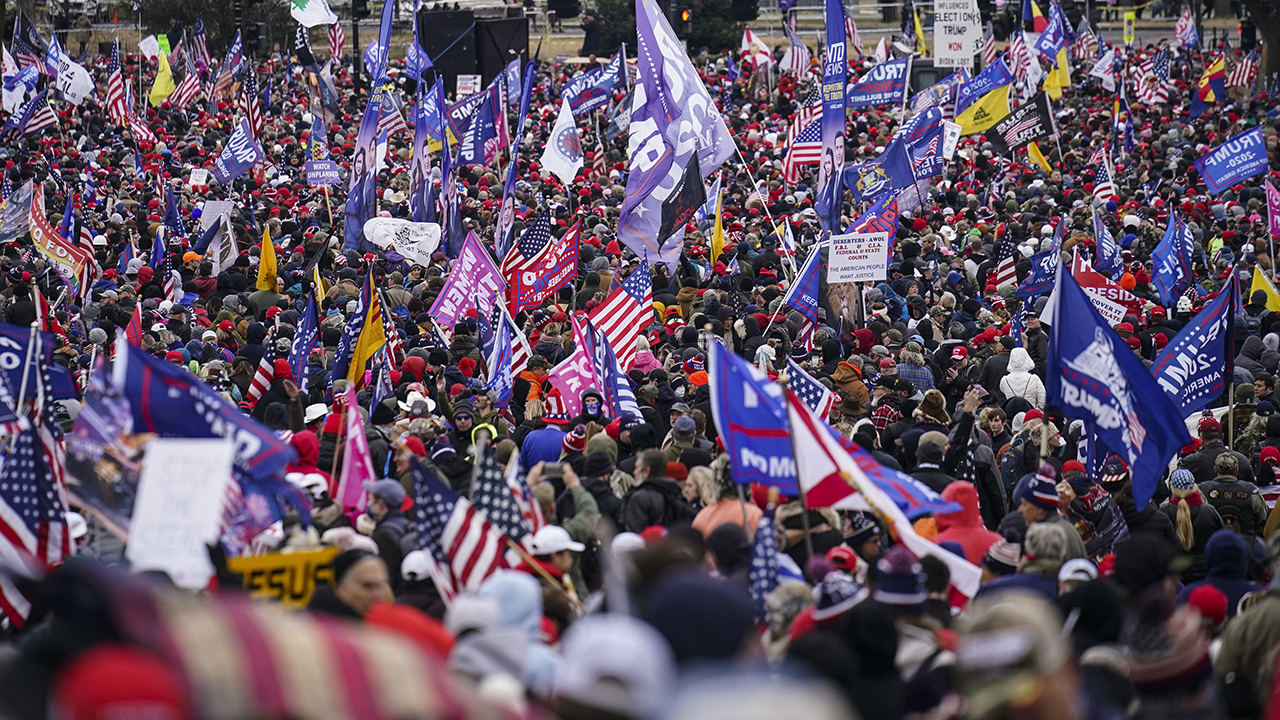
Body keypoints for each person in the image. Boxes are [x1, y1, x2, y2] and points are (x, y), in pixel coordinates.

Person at [307, 549, 393, 620]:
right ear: (341, 588)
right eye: (367, 586)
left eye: (380, 586)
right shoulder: (313, 629)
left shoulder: (384, 627)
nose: (376, 595)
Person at [621, 449, 694, 532]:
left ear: (646, 471)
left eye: (637, 468)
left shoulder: (639, 498)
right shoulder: (675, 492)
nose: (634, 472)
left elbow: (635, 532)